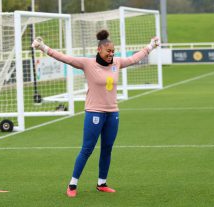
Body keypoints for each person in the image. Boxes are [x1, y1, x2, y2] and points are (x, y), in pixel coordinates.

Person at [32, 30, 160, 197]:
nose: (111, 54)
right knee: (87, 149)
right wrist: (43, 47)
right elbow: (65, 58)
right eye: (108, 51)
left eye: (113, 51)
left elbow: (135, 58)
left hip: (113, 113)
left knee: (107, 148)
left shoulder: (117, 63)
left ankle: (102, 183)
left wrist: (151, 45)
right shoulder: (88, 63)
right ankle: (72, 185)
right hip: (94, 112)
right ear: (99, 49)